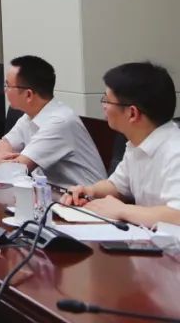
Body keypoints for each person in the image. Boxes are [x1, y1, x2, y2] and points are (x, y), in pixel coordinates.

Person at [62, 62, 180, 227]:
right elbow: (117, 186)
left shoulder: (175, 151)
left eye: (107, 100)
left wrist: (122, 210)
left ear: (132, 113)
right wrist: (89, 191)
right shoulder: (136, 143)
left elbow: (176, 215)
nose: (104, 106)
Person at [0, 55, 105, 187]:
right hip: (53, 193)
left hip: (87, 197)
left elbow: (15, 170)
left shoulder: (59, 122)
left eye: (8, 85)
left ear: (28, 94)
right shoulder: (28, 117)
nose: (5, 90)